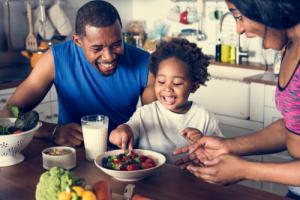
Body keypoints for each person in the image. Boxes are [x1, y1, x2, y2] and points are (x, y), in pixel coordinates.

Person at [174, 0, 300, 198]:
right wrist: (229, 146)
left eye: (239, 16)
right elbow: (293, 127)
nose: (239, 29)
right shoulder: (291, 48)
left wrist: (245, 170)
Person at [0, 1, 156, 147]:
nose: (109, 56)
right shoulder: (55, 59)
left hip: (121, 157)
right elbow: (7, 114)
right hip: (73, 154)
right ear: (78, 41)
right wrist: (53, 132)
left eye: (116, 44)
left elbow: (156, 125)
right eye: (97, 48)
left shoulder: (145, 63)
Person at [109, 38, 223, 163]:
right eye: (161, 82)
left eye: (177, 83)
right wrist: (121, 131)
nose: (167, 88)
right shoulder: (145, 113)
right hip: (151, 179)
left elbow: (220, 155)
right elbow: (127, 130)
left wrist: (202, 140)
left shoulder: (204, 117)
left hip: (189, 179)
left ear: (194, 86)